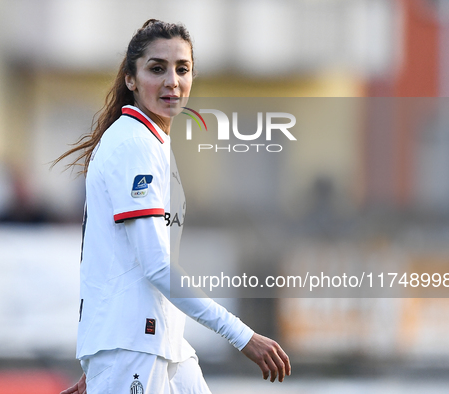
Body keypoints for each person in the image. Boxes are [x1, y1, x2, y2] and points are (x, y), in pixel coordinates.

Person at [55, 19, 291, 394]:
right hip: (134, 345)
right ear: (131, 79)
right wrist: (242, 335)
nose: (172, 81)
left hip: (157, 343)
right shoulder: (135, 144)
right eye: (157, 68)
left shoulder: (150, 140)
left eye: (182, 69)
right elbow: (156, 265)